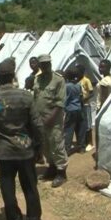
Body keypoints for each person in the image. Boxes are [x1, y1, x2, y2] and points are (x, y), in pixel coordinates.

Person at [0, 57, 43, 220]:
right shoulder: (26, 96)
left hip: (3, 153)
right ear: (12, 76)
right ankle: (33, 219)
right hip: (25, 150)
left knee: (8, 189)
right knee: (30, 187)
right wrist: (38, 148)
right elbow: (37, 125)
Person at [33, 54, 68, 188]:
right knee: (45, 145)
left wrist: (50, 119)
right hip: (40, 119)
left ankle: (61, 173)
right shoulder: (38, 79)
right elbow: (36, 98)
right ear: (40, 66)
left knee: (56, 144)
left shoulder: (58, 80)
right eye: (43, 64)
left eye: (48, 63)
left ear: (51, 64)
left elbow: (60, 103)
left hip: (54, 120)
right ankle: (52, 168)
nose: (46, 66)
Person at [63, 67, 85, 155]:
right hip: (78, 109)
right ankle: (81, 147)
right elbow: (80, 97)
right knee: (80, 129)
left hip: (70, 110)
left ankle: (67, 149)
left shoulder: (67, 86)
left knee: (69, 129)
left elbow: (65, 99)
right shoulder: (78, 85)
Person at [76, 64, 94, 152]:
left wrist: (84, 98)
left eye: (78, 72)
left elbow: (91, 93)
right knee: (81, 124)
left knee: (88, 125)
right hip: (79, 105)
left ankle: (90, 143)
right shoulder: (76, 81)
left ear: (82, 72)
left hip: (86, 105)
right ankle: (84, 142)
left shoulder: (86, 80)